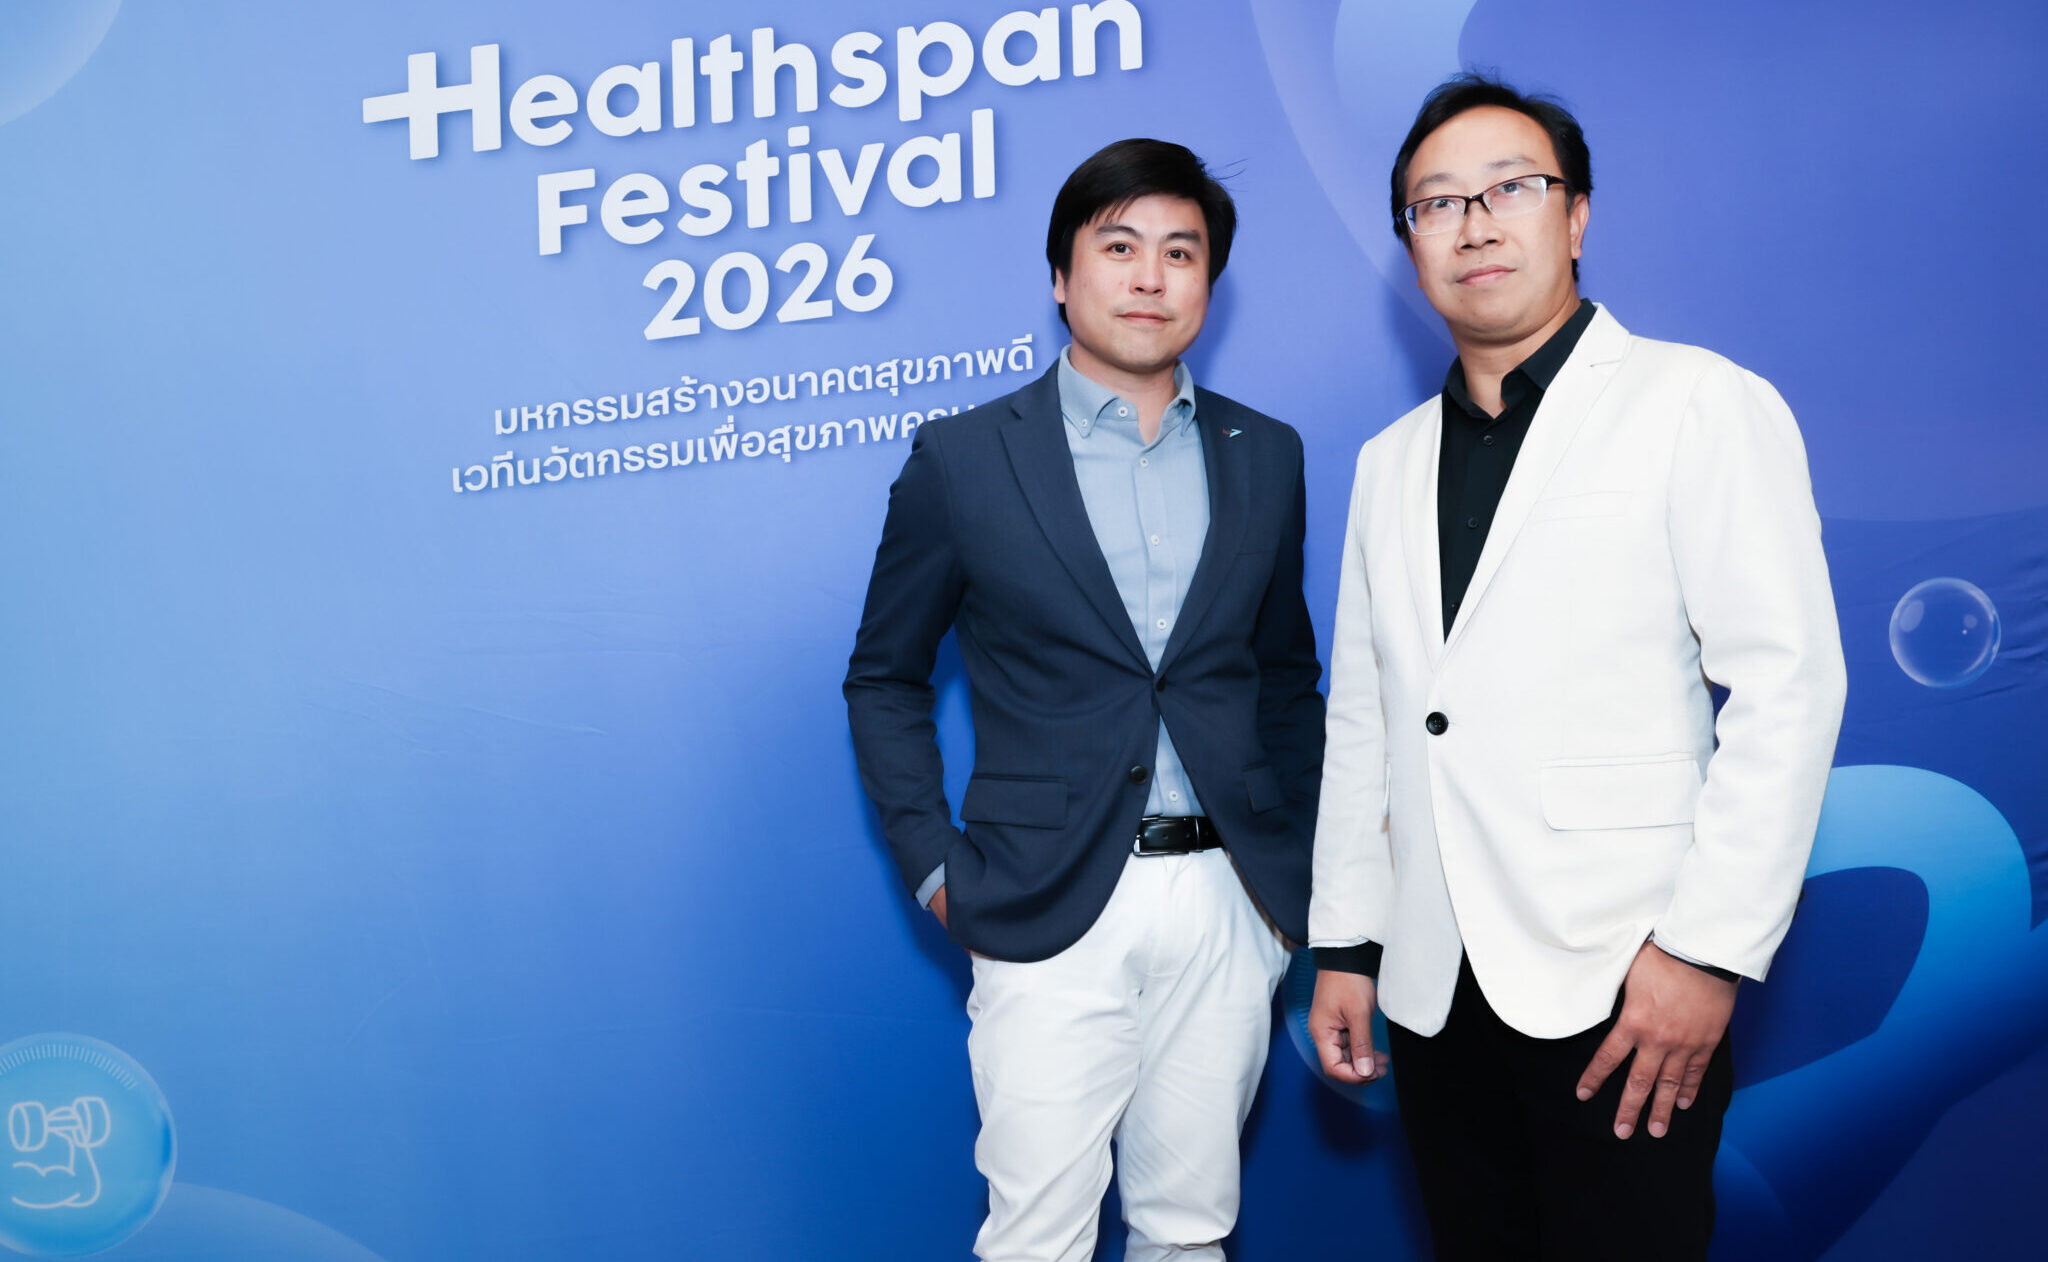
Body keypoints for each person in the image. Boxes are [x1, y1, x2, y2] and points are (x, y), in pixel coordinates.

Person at [1306, 75, 1846, 1260]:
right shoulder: (1386, 462)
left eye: (1509, 188)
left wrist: (1703, 951)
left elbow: (1787, 687)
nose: (1473, 224)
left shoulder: (1694, 401)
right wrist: (1346, 943)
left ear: (1576, 215)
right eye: (1435, 203)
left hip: (1621, 975)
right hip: (1433, 985)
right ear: (1409, 244)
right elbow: (1369, 719)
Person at [845, 138, 1325, 1262]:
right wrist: (936, 867)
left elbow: (1283, 676)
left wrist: (1291, 877)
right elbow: (884, 676)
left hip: (1227, 901)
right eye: (1118, 248)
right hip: (1045, 899)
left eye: (1180, 252)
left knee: (1188, 1231)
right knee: (1037, 1238)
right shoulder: (964, 458)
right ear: (1061, 276)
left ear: (1209, 282)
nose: (1150, 277)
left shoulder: (1266, 454)